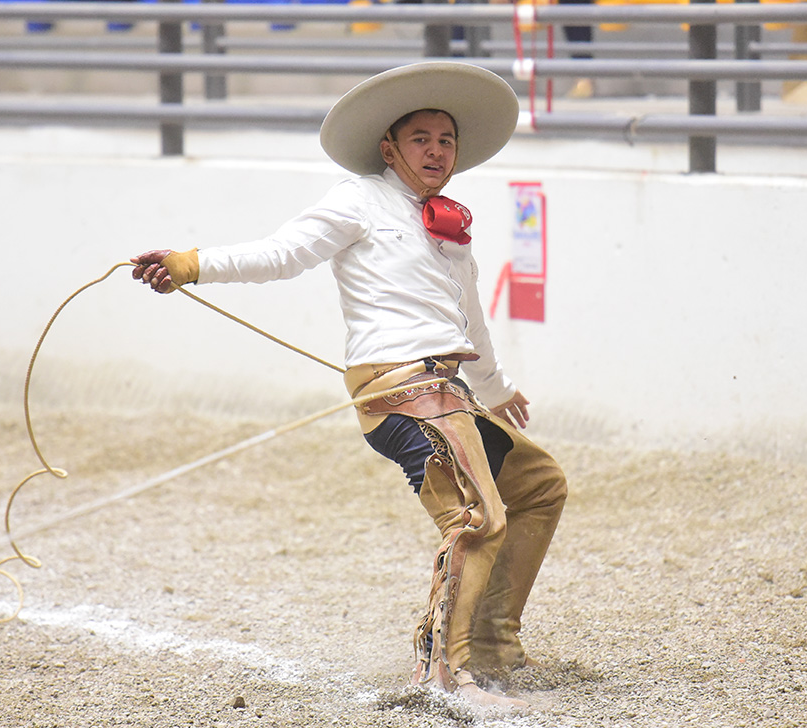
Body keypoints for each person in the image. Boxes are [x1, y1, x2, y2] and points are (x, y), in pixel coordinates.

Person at [130, 61, 567, 710]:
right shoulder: (358, 199)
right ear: (389, 148)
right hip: (400, 389)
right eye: (421, 138)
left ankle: (495, 643)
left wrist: (496, 388)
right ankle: (445, 675)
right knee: (476, 517)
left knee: (538, 485)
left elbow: (469, 317)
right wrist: (191, 264)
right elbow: (282, 253)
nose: (436, 150)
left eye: (446, 140)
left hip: (448, 388)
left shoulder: (448, 228)